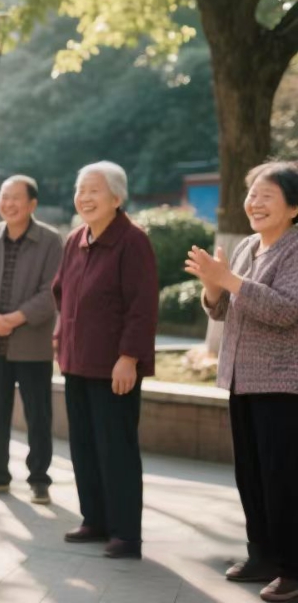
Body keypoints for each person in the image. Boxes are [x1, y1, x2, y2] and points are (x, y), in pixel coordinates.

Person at [188, 162, 298, 603]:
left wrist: (229, 281)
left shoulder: (295, 248)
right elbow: (222, 311)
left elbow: (287, 310)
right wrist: (212, 288)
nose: (254, 203)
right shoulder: (247, 246)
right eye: (252, 194)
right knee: (250, 474)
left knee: (283, 477)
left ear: (294, 207)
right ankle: (263, 555)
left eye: (266, 196)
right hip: (240, 379)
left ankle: (292, 567)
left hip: (282, 383)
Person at [53, 161, 157, 560]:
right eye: (81, 190)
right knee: (83, 446)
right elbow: (61, 291)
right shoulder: (76, 238)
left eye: (94, 190)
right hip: (77, 361)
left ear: (117, 197)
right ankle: (94, 519)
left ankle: (126, 534)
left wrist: (129, 357)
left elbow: (142, 306)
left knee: (117, 449)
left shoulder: (133, 241)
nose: (85, 197)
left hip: (114, 366)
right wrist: (62, 336)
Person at [0, 175, 64, 504]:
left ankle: (39, 479)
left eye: (16, 197)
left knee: (38, 414)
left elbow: (55, 288)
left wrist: (18, 318)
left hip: (32, 344)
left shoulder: (50, 240)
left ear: (32, 204)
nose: (8, 203)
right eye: (4, 197)